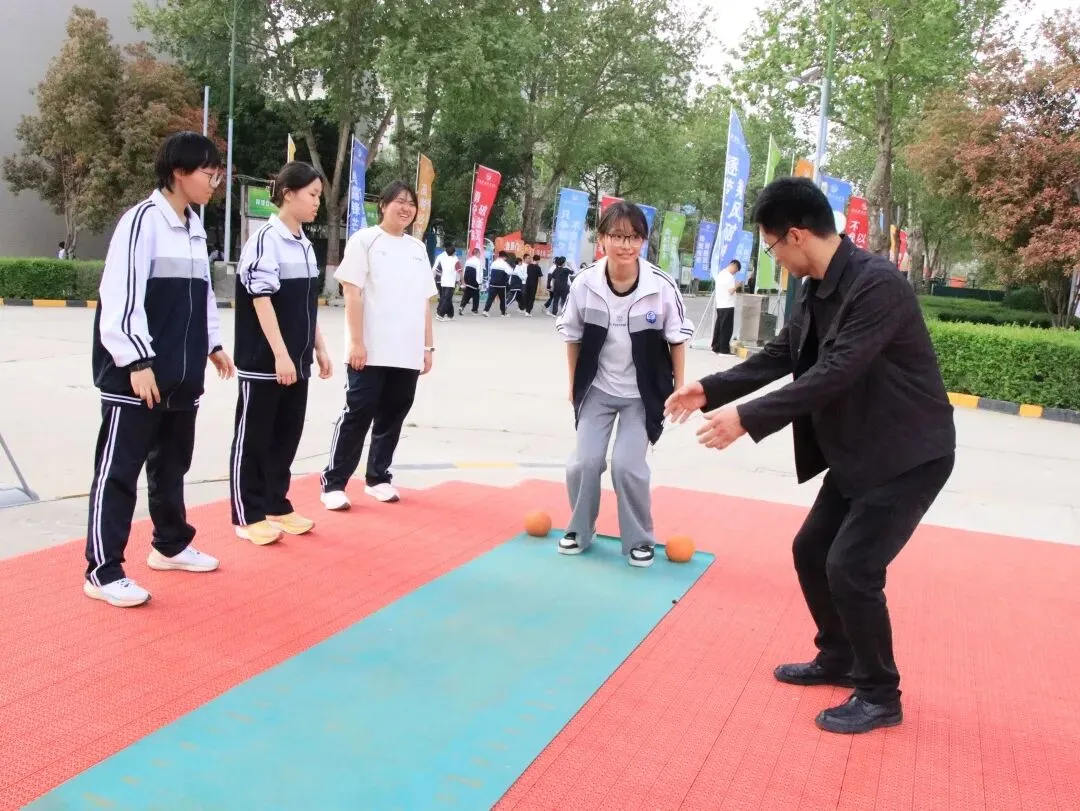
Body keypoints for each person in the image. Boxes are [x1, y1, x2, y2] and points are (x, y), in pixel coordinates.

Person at [665, 177, 956, 734]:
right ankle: (840, 656)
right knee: (811, 551)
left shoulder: (878, 285)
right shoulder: (818, 286)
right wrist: (712, 389)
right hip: (857, 451)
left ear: (796, 236)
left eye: (771, 247)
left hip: (907, 453)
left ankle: (879, 694)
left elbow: (836, 370)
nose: (773, 258)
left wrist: (748, 420)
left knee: (852, 566)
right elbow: (784, 353)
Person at [85, 131, 235, 608]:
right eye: (208, 172)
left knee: (171, 465)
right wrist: (136, 360)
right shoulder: (141, 222)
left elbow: (202, 296)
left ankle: (169, 544)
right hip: (137, 375)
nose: (215, 181)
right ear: (178, 172)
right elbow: (121, 297)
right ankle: (102, 570)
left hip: (180, 375)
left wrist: (212, 344)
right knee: (119, 471)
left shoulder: (193, 227)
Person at [556, 202, 693, 567]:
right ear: (601, 239)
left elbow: (677, 340)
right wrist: (573, 384)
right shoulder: (585, 283)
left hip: (642, 395)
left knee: (627, 466)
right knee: (584, 463)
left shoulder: (660, 287)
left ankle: (639, 539)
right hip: (598, 389)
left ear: (643, 241)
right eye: (616, 236)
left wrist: (681, 388)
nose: (625, 244)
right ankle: (580, 530)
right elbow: (572, 336)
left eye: (633, 237)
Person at [230, 161, 333, 545]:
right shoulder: (265, 239)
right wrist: (280, 354)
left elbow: (307, 304)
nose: (316, 203)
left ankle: (276, 502)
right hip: (265, 360)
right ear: (287, 193)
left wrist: (318, 347)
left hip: (298, 359)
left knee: (286, 434)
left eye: (319, 197)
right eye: (312, 195)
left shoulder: (303, 242)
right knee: (254, 435)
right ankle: (247, 512)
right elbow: (261, 300)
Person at [320, 180, 436, 509]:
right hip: (369, 350)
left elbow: (425, 301)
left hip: (407, 352)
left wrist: (428, 348)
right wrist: (356, 342)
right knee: (358, 414)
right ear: (382, 205)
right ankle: (334, 483)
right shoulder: (365, 241)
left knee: (393, 416)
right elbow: (351, 292)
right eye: (398, 201)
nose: (405, 208)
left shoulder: (418, 249)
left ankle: (378, 477)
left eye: (410, 203)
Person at [711, 259, 739, 354]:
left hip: (720, 305)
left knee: (719, 327)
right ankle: (724, 349)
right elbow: (731, 291)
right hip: (728, 305)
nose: (735, 273)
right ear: (733, 265)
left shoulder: (720, 274)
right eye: (735, 270)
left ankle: (716, 347)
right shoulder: (729, 277)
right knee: (726, 328)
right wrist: (737, 286)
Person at [433, 243, 460, 321]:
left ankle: (450, 315)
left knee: (446, 298)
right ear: (453, 252)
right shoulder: (455, 259)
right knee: (446, 299)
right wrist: (459, 280)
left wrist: (442, 276)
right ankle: (440, 314)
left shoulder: (442, 258)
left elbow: (436, 269)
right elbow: (459, 271)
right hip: (450, 283)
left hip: (443, 282)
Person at [483, 251, 511, 317]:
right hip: (501, 284)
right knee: (503, 299)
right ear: (504, 257)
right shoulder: (505, 264)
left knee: (490, 298)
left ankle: (485, 311)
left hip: (493, 283)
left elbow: (490, 272)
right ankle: (503, 313)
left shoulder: (494, 263)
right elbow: (510, 272)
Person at [459, 248, 483, 315]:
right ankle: (474, 310)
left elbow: (464, 270)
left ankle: (461, 306)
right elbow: (479, 272)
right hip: (474, 280)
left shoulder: (468, 260)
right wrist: (480, 283)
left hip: (467, 279)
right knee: (476, 295)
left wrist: (463, 281)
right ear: (478, 253)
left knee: (467, 294)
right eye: (479, 253)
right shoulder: (478, 261)